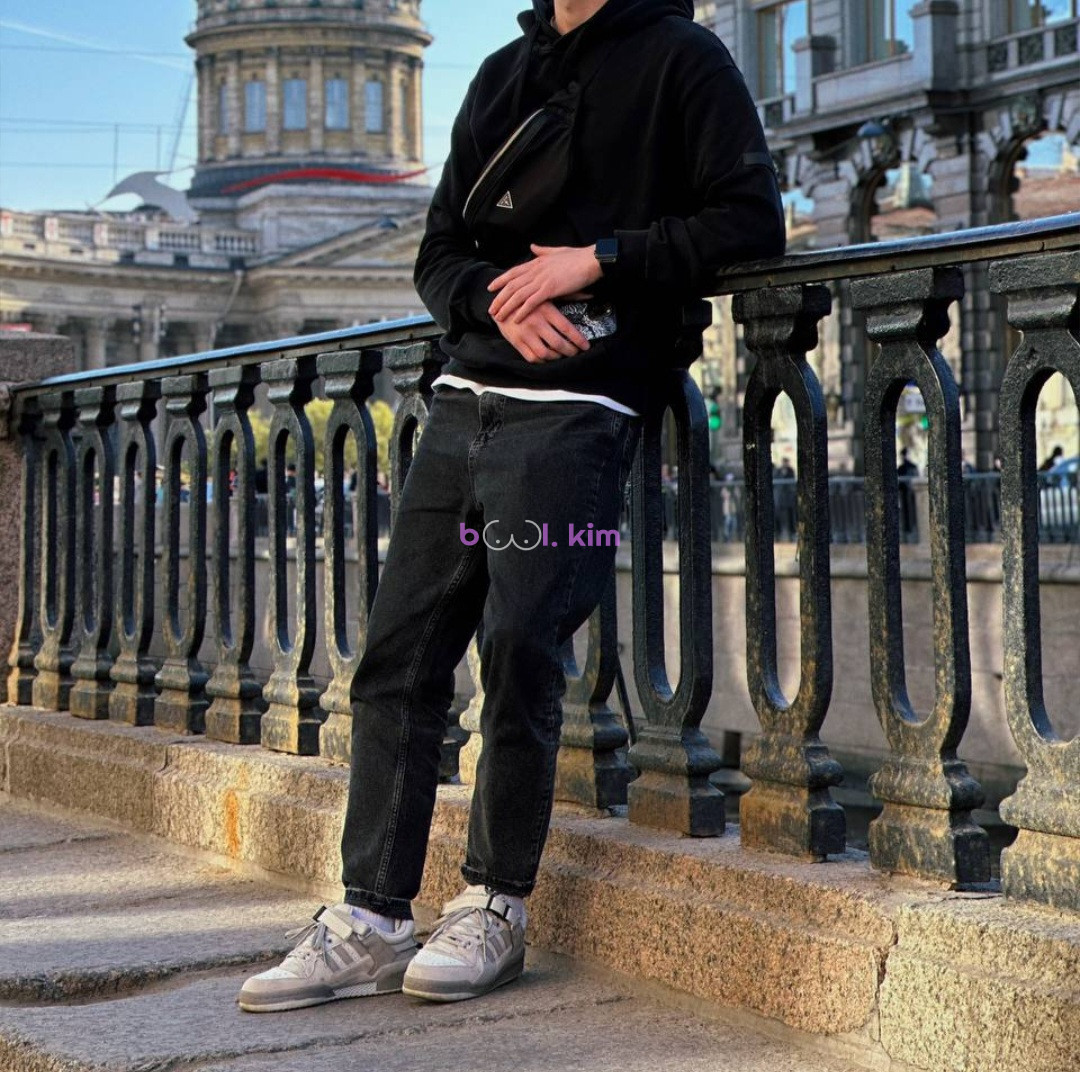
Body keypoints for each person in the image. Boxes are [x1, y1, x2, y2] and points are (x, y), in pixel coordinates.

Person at [239, 0, 783, 1014]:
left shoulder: (686, 60)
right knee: (395, 660)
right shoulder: (500, 72)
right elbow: (440, 252)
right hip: (462, 406)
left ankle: (494, 901)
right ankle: (371, 917)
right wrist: (498, 298)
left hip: (582, 409)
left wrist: (596, 259)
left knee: (522, 648)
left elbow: (750, 222)